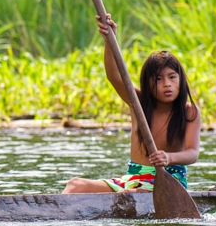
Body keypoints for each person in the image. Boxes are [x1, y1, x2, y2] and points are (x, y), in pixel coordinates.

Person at [63, 13, 200, 193]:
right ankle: (53, 217)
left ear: (180, 80)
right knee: (76, 185)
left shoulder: (189, 111)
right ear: (148, 84)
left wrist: (168, 157)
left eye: (172, 77)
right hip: (132, 178)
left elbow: (192, 153)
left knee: (130, 195)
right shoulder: (138, 103)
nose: (167, 83)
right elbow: (114, 76)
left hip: (168, 181)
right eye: (159, 79)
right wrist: (109, 40)